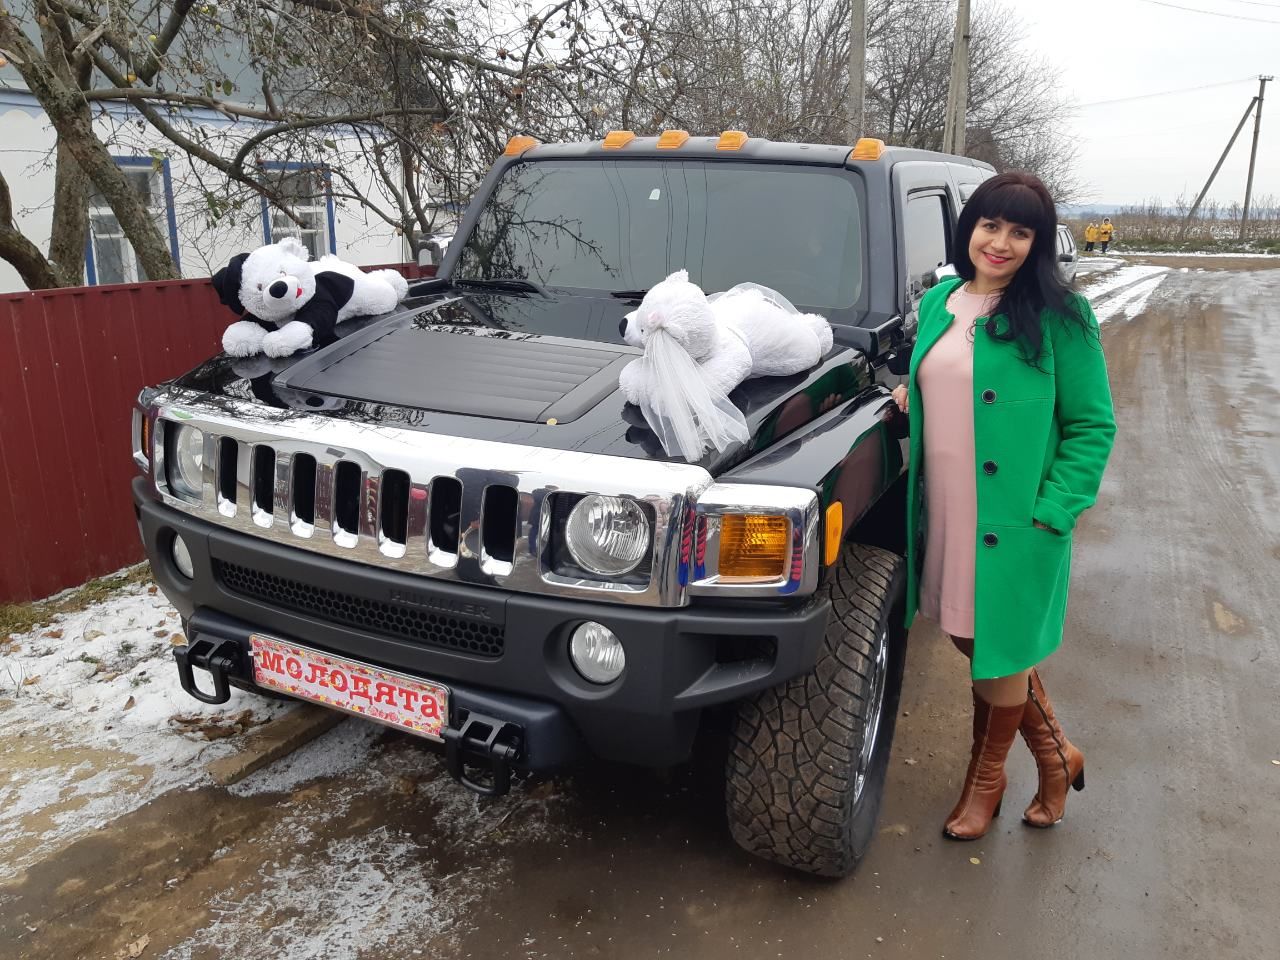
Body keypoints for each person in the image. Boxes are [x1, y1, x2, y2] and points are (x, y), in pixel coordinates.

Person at [890, 171, 1116, 841]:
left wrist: (1056, 508)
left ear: (1038, 244)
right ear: (970, 229)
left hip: (1017, 522)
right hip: (948, 511)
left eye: (1021, 232)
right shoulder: (941, 301)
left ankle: (985, 782)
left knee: (999, 646)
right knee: (975, 637)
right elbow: (942, 375)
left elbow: (1092, 425)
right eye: (991, 225)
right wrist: (913, 396)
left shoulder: (1062, 317)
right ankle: (1057, 755)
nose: (1001, 242)